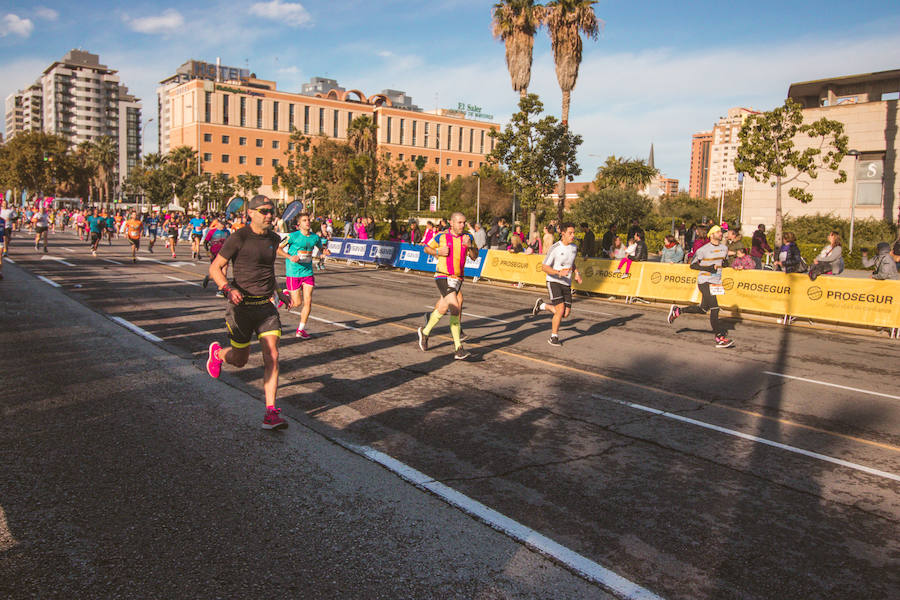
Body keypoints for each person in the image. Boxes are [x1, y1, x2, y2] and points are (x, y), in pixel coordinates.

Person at [205, 195, 296, 430]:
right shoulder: (239, 237)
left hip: (266, 307)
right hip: (241, 308)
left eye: (271, 211)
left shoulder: (274, 239)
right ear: (251, 213)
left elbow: (267, 272)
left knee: (272, 355)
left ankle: (270, 412)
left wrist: (279, 292)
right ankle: (217, 356)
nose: (269, 215)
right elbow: (215, 268)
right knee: (240, 360)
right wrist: (227, 288)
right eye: (264, 211)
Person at [416, 212, 478, 360]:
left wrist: (469, 247)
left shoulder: (468, 237)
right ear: (451, 223)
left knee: (443, 308)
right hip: (442, 275)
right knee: (455, 307)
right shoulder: (441, 236)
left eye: (464, 222)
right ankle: (458, 348)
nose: (462, 225)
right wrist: (437, 251)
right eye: (459, 223)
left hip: (458, 279)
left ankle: (425, 332)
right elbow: (426, 248)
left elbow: (475, 257)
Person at [666, 225, 734, 348]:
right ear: (711, 235)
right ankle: (719, 338)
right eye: (718, 232)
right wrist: (707, 268)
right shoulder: (703, 250)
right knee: (715, 308)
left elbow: (725, 262)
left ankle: (678, 310)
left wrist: (725, 264)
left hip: (715, 282)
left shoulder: (724, 248)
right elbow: (692, 265)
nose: (720, 234)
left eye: (721, 232)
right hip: (704, 281)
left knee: (703, 309)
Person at [530, 222, 582, 347]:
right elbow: (544, 267)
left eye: (574, 233)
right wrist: (558, 272)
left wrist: (576, 273)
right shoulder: (555, 247)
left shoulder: (574, 248)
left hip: (566, 283)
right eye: (570, 233)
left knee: (565, 313)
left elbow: (572, 262)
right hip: (554, 281)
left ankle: (542, 306)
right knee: (560, 310)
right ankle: (554, 337)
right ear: (563, 234)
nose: (573, 235)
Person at [279, 212, 330, 338]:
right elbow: (277, 248)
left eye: (308, 220)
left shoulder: (315, 237)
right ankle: (284, 294)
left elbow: (320, 247)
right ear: (298, 224)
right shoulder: (292, 236)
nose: (307, 222)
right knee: (296, 303)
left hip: (308, 272)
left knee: (308, 301)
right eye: (304, 220)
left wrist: (325, 251)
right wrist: (290, 257)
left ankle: (300, 330)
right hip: (293, 272)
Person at [202, 219, 232, 291]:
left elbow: (230, 242)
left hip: (224, 253)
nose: (223, 227)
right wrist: (208, 252)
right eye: (221, 225)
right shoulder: (212, 232)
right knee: (216, 271)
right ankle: (209, 277)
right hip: (214, 253)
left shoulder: (227, 232)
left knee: (224, 269)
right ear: (218, 224)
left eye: (224, 226)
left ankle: (221, 288)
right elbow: (205, 242)